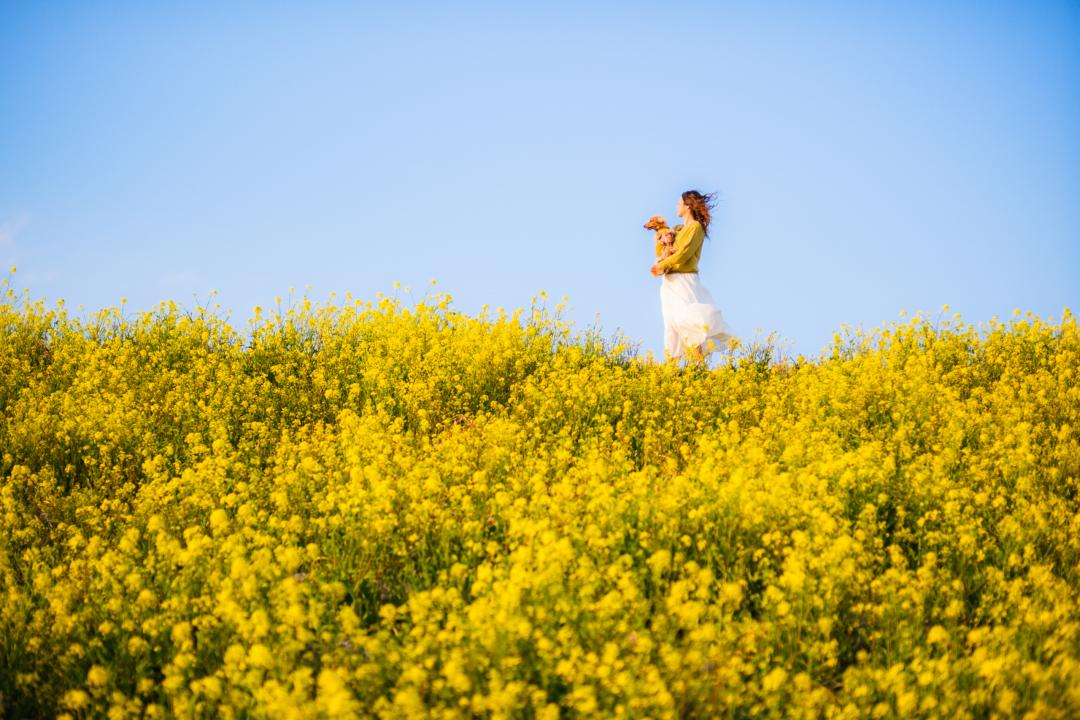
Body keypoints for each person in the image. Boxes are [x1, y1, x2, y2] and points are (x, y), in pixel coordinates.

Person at [650, 190, 737, 363]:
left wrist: (661, 265)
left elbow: (684, 254)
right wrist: (659, 236)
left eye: (679, 203)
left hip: (685, 280)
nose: (676, 206)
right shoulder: (677, 230)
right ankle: (672, 368)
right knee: (671, 325)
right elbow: (660, 251)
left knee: (688, 320)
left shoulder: (695, 228)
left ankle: (698, 365)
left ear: (687, 206)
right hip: (669, 283)